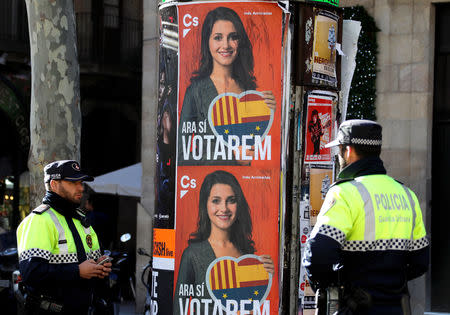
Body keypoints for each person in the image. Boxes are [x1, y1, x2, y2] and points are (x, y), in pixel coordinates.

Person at [303, 120, 429, 315]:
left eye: (339, 150)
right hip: (398, 309)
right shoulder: (407, 195)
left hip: (358, 309)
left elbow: (318, 255)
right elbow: (420, 262)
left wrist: (336, 284)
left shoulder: (345, 193)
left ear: (348, 151)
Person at [178, 6, 276, 166]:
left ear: (240, 42)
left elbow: (259, 147)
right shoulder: (195, 92)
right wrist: (230, 155)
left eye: (233, 37)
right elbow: (181, 155)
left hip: (245, 185)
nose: (226, 45)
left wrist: (270, 111)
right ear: (207, 42)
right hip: (208, 185)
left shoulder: (249, 90)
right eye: (218, 37)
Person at [16, 160, 112, 314]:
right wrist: (77, 271)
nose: (81, 188)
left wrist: (100, 268)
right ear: (54, 185)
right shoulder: (39, 220)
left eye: (81, 183)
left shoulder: (82, 220)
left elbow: (92, 264)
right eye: (73, 183)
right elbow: (31, 273)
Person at [174, 170, 274, 314]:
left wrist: (268, 275)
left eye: (231, 200)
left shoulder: (247, 254)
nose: (224, 208)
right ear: (205, 205)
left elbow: (252, 308)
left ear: (238, 204)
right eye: (216, 201)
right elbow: (179, 308)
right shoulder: (192, 255)